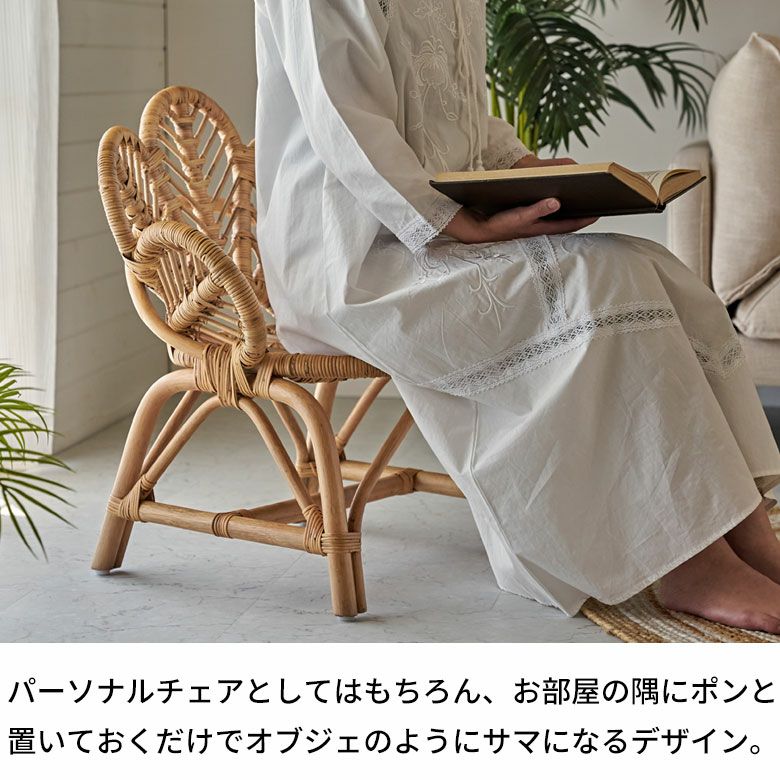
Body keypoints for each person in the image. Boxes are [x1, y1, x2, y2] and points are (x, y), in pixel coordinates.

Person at [253, 0, 780, 632]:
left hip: (435, 231)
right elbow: (342, 118)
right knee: (602, 282)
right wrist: (458, 222)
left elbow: (459, 114)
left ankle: (749, 539)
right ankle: (693, 566)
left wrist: (522, 170)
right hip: (353, 257)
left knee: (651, 265)